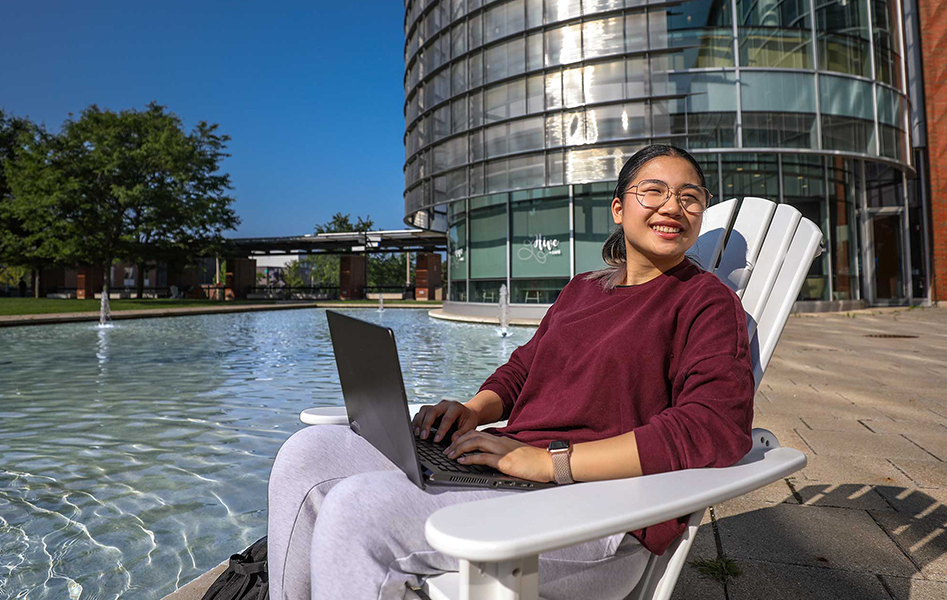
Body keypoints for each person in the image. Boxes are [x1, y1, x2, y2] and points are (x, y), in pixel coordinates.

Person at [267, 145, 755, 600]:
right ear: (619, 209)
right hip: (511, 473)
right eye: (654, 191)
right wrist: (473, 411)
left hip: (600, 510)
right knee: (306, 454)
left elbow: (714, 427)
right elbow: (524, 367)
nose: (672, 206)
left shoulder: (706, 303)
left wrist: (551, 463)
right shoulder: (584, 290)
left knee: (359, 510)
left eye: (690, 198)